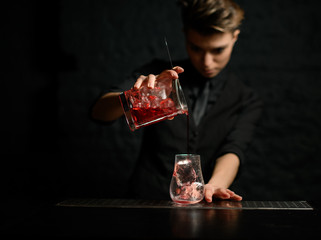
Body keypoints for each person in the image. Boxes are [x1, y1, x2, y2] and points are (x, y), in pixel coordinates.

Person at [91, 0, 262, 202]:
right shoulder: (158, 75)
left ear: (235, 37)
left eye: (217, 50)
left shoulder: (245, 97)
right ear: (185, 35)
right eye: (196, 48)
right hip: (146, 202)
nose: (207, 62)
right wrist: (131, 96)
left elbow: (233, 149)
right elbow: (99, 113)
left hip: (204, 204)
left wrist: (215, 185)